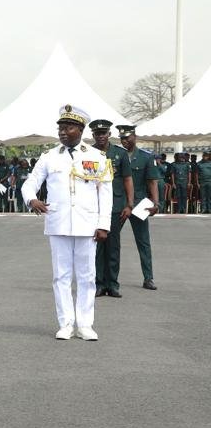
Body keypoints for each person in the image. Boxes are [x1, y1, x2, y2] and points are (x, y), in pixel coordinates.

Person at [21, 105, 112, 341]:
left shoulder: (97, 157)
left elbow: (106, 193)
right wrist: (32, 200)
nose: (63, 132)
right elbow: (29, 184)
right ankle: (66, 323)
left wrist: (104, 224)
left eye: (68, 127)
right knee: (61, 276)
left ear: (80, 130)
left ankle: (85, 324)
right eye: (60, 128)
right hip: (58, 222)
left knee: (87, 276)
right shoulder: (48, 157)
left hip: (88, 224)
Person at [89, 119, 133, 299]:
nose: (100, 136)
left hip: (116, 206)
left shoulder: (120, 154)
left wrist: (129, 204)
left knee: (113, 246)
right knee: (97, 247)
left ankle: (113, 284)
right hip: (93, 206)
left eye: (103, 133)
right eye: (97, 134)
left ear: (109, 134)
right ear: (93, 135)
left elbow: (128, 179)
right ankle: (99, 284)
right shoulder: (88, 153)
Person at [117, 125, 160, 290]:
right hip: (120, 203)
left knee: (143, 242)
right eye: (122, 138)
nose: (125, 141)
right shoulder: (116, 155)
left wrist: (156, 203)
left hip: (140, 203)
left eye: (127, 137)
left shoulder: (145, 157)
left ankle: (148, 278)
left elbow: (152, 181)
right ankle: (107, 279)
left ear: (135, 137)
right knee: (111, 242)